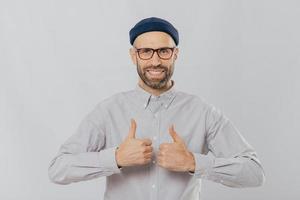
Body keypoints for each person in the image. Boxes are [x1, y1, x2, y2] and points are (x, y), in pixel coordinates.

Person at [48, 17, 265, 200]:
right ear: (134, 56)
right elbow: (59, 169)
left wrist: (193, 162)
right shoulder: (109, 110)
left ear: (175, 54)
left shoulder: (203, 113)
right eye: (146, 52)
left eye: (163, 51)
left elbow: (254, 173)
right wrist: (115, 158)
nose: (155, 61)